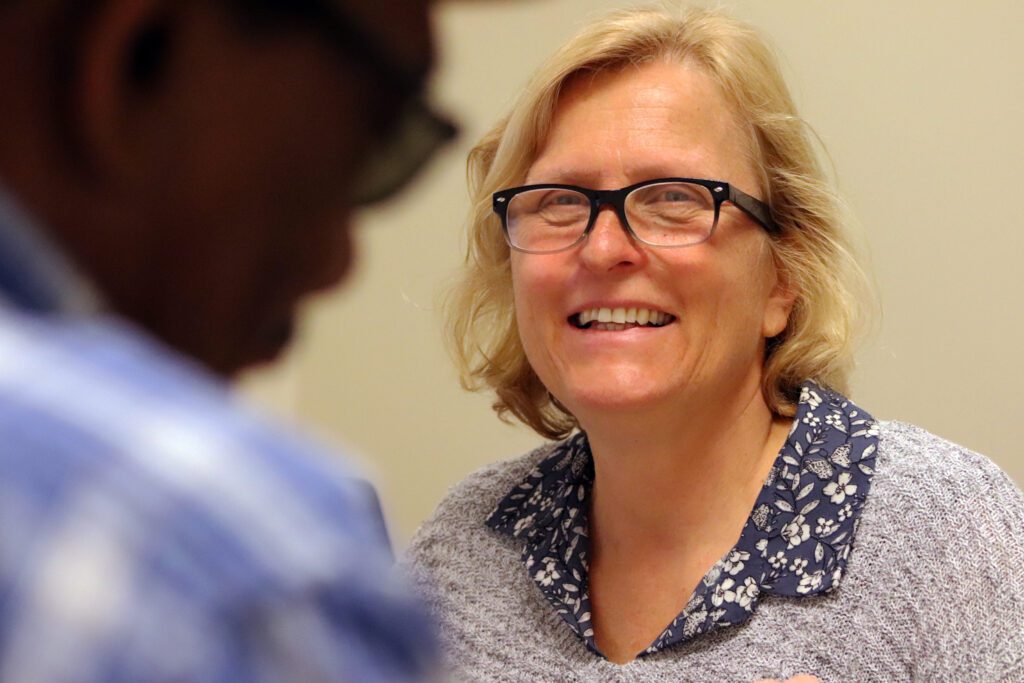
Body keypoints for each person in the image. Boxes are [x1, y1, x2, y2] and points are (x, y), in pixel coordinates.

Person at [405, 6, 1024, 682]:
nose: (604, 247)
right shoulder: (465, 546)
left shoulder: (944, 534)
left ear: (783, 278)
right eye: (558, 201)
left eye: (674, 198)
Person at [0, 0, 458, 680]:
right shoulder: (239, 578)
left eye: (671, 199)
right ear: (136, 58)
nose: (337, 264)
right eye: (374, 138)